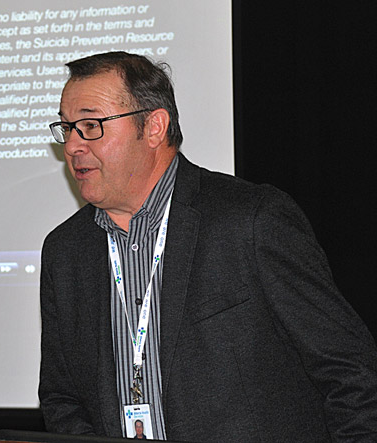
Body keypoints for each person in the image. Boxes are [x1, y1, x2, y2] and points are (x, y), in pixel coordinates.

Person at [38, 51, 377, 442]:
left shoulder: (251, 221)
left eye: (91, 125)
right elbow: (62, 398)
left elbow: (351, 374)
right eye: (67, 128)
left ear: (154, 127)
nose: (74, 146)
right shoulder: (65, 252)